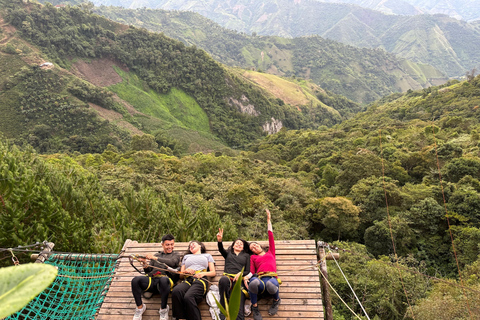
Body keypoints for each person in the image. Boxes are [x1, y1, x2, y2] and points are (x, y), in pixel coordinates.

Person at [131, 234, 182, 320]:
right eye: (167, 245)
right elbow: (149, 272)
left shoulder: (176, 255)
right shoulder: (157, 255)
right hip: (153, 281)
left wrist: (155, 258)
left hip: (166, 281)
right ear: (162, 245)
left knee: (163, 279)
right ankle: (140, 308)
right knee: (135, 280)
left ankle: (163, 309)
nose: (170, 247)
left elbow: (172, 263)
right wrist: (145, 264)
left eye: (172, 244)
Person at [246, 209, 281, 320]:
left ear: (260, 245)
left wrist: (268, 220)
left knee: (271, 285)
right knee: (253, 282)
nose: (254, 247)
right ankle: (255, 308)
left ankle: (276, 300)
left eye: (255, 245)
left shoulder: (271, 251)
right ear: (252, 251)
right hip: (260, 280)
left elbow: (270, 235)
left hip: (271, 279)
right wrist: (245, 277)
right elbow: (252, 272)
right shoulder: (253, 257)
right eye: (252, 248)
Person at [172, 240, 216, 320]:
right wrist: (185, 272)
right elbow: (181, 275)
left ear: (200, 246)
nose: (191, 245)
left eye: (193, 243)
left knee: (188, 297)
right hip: (188, 279)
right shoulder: (186, 257)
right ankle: (181, 318)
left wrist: (203, 274)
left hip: (201, 279)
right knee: (176, 291)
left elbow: (213, 272)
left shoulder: (207, 256)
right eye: (190, 245)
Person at [216, 228, 251, 320]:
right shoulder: (228, 254)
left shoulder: (246, 256)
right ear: (233, 246)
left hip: (239, 281)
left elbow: (248, 270)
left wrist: (241, 274)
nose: (239, 244)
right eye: (237, 243)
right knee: (223, 280)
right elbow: (220, 249)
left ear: (243, 247)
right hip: (227, 279)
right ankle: (223, 313)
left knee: (238, 306)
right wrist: (220, 241)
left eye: (241, 244)